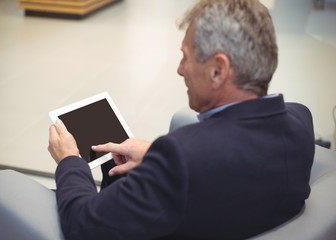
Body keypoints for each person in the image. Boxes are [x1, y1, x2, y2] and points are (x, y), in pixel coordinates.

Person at [48, 0, 315, 239]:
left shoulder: (182, 158)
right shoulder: (300, 121)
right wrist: (154, 154)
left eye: (186, 57)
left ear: (217, 70)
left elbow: (83, 224)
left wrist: (71, 161)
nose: (179, 69)